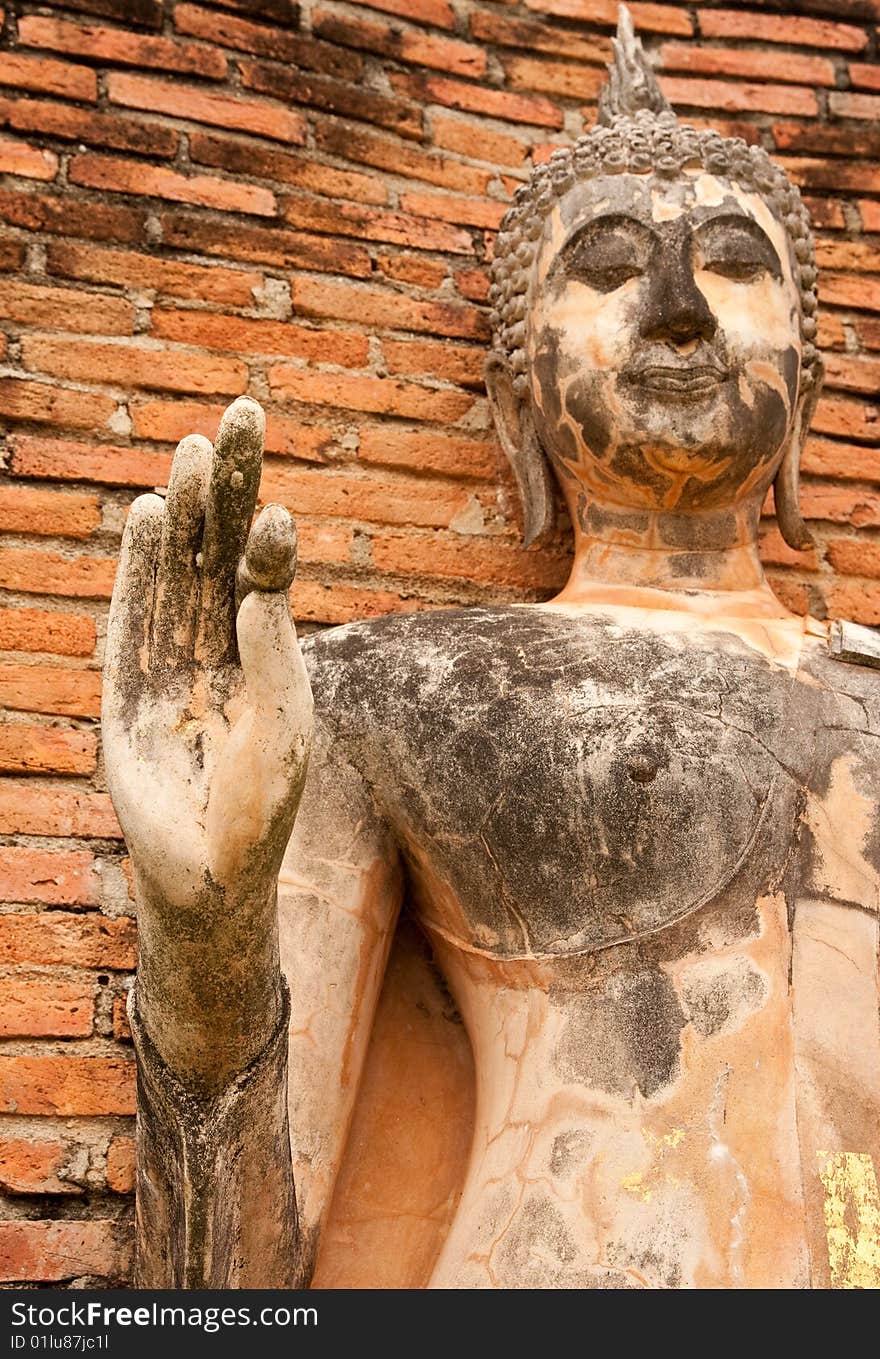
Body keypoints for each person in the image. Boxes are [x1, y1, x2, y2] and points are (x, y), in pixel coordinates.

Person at [102, 10, 880, 1289]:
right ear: (516, 400)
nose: (679, 311)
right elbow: (224, 1289)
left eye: (736, 264)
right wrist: (208, 934)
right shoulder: (388, 693)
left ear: (808, 380)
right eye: (611, 267)